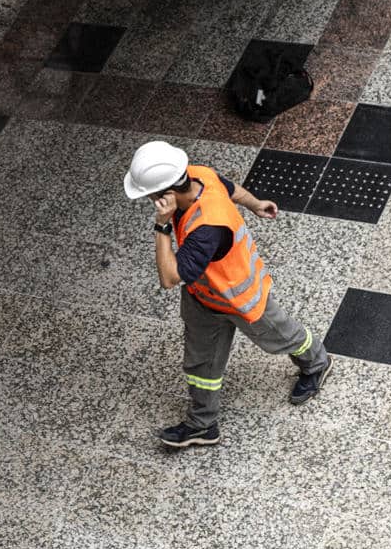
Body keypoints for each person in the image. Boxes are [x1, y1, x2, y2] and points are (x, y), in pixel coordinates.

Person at [123, 141, 332, 449]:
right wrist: (255, 203)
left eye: (149, 196)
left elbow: (168, 278)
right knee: (200, 365)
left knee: (282, 336)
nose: (149, 201)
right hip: (204, 298)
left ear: (165, 193)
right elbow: (229, 187)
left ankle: (316, 362)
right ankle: (202, 424)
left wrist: (161, 227)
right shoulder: (199, 175)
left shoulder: (208, 228)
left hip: (239, 297)